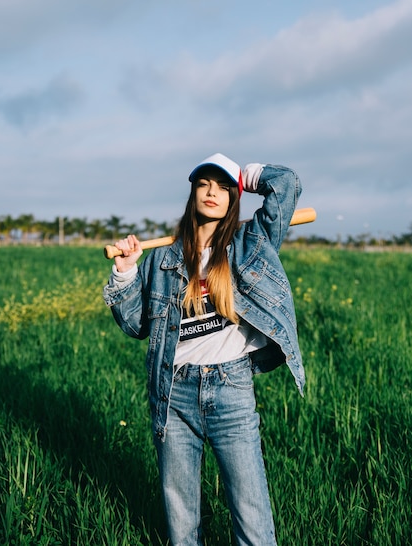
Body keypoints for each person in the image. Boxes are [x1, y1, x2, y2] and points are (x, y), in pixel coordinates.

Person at [103, 153, 305, 546]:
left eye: (223, 187)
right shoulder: (163, 257)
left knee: (251, 514)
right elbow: (135, 325)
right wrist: (126, 270)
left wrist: (245, 176)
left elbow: (287, 185)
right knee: (181, 522)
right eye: (204, 184)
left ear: (234, 197)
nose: (212, 192)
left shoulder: (252, 242)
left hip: (231, 387)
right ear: (192, 191)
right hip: (173, 391)